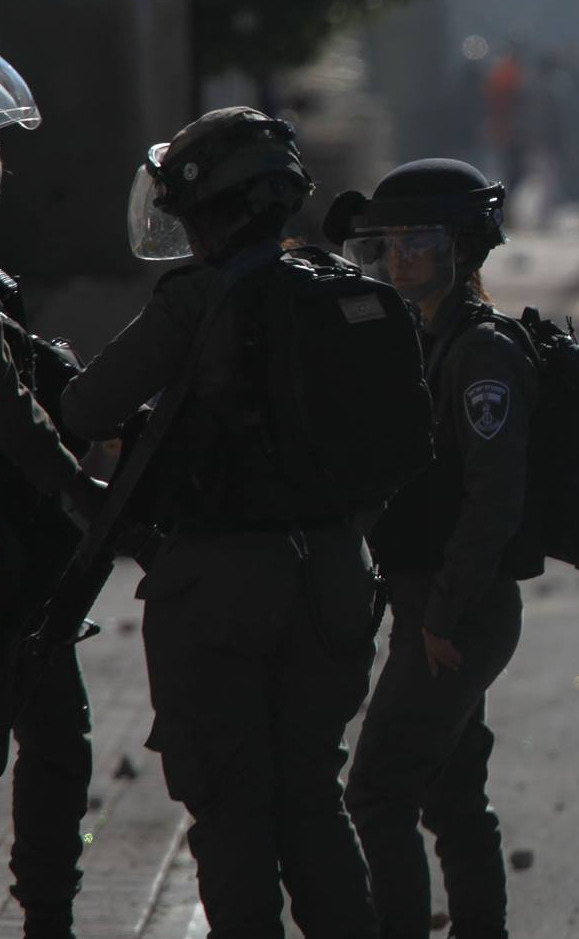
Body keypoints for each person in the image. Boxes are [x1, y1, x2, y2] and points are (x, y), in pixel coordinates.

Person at [61, 107, 381, 939]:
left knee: (233, 810)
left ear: (211, 208)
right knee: (312, 795)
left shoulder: (195, 300)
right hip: (338, 574)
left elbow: (86, 403)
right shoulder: (339, 291)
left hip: (221, 586)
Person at [324, 159, 540, 939]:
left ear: (463, 246)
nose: (402, 255)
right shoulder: (421, 337)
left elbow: (494, 498)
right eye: (388, 241)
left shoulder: (482, 353)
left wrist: (444, 613)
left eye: (420, 238)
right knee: (450, 796)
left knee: (377, 793)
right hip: (430, 600)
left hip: (459, 607)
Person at [0, 55, 103, 939]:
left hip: (22, 567)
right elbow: (14, 416)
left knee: (58, 743)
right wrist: (84, 492)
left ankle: (49, 915)